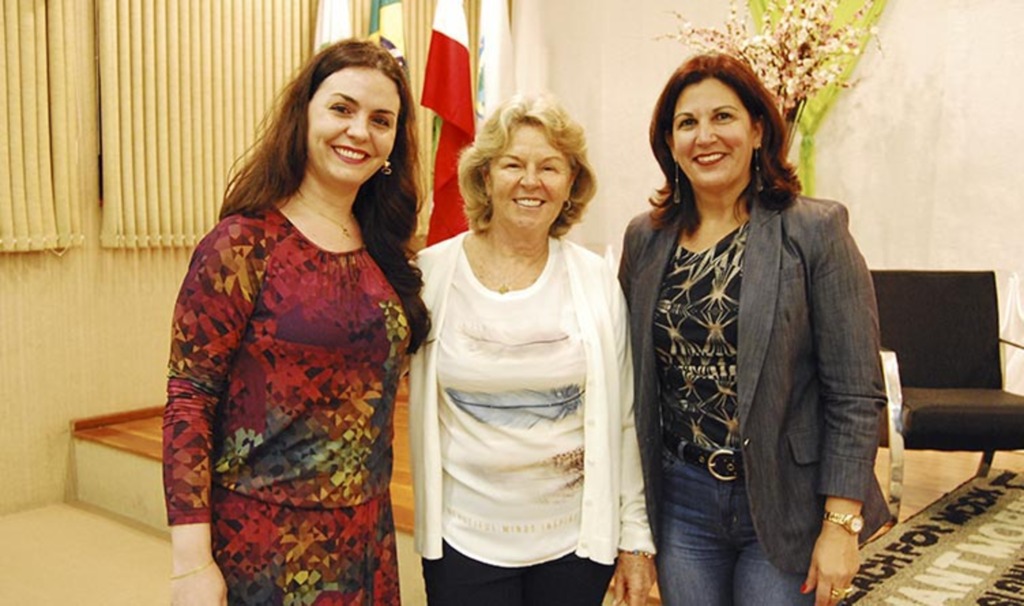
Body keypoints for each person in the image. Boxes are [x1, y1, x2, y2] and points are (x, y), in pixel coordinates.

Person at [162, 39, 429, 606]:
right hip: (263, 543)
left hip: (365, 540)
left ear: (392, 145)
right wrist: (190, 564)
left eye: (381, 120)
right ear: (303, 115)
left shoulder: (387, 255)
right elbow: (190, 399)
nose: (359, 131)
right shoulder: (243, 243)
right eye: (342, 109)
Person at [618, 53, 890, 606]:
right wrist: (631, 532)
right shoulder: (644, 239)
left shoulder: (815, 231)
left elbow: (856, 391)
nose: (705, 136)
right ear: (668, 143)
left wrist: (841, 523)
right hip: (682, 503)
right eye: (687, 123)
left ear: (758, 128)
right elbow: (632, 388)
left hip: (785, 500)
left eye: (723, 117)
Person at [408, 94, 656, 606]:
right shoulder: (430, 276)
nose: (530, 181)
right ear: (484, 177)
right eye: (513, 164)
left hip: (574, 546)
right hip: (462, 542)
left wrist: (635, 538)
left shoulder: (595, 279)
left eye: (550, 167)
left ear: (571, 184)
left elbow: (627, 417)